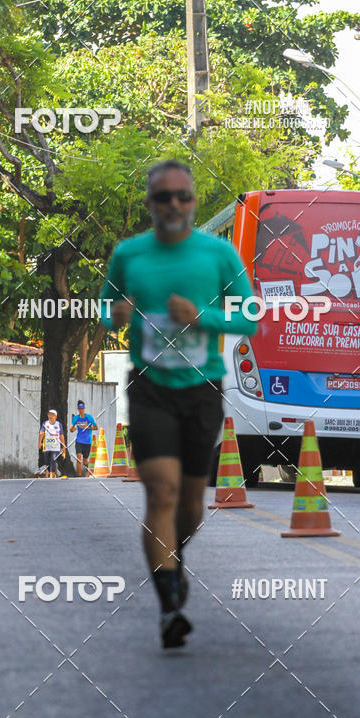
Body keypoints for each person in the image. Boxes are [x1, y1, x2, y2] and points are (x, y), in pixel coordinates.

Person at [100, 159, 257, 648]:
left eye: (182, 197)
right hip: (148, 387)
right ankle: (170, 605)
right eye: (163, 197)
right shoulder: (129, 255)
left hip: (201, 389)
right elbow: (104, 308)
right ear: (150, 204)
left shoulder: (218, 254)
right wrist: (115, 312)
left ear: (192, 201)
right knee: (162, 493)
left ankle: (173, 557)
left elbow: (249, 316)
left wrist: (203, 318)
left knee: (191, 504)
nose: (173, 205)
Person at [69, 400, 98, 477]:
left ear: (84, 408)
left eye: (82, 408)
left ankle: (90, 471)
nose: (81, 410)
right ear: (78, 409)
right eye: (80, 408)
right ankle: (78, 476)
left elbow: (96, 427)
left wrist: (88, 427)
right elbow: (71, 429)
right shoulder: (75, 418)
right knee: (78, 458)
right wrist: (72, 429)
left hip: (87, 441)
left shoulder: (89, 417)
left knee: (85, 461)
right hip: (79, 441)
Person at [39, 409, 66, 478]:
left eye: (52, 415)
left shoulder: (58, 424)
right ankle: (52, 472)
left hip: (55, 447)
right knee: (47, 462)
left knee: (53, 460)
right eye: (49, 414)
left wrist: (63, 446)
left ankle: (51, 476)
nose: (51, 416)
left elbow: (61, 435)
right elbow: (41, 433)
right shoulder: (45, 423)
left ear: (56, 416)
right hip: (47, 447)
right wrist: (39, 442)